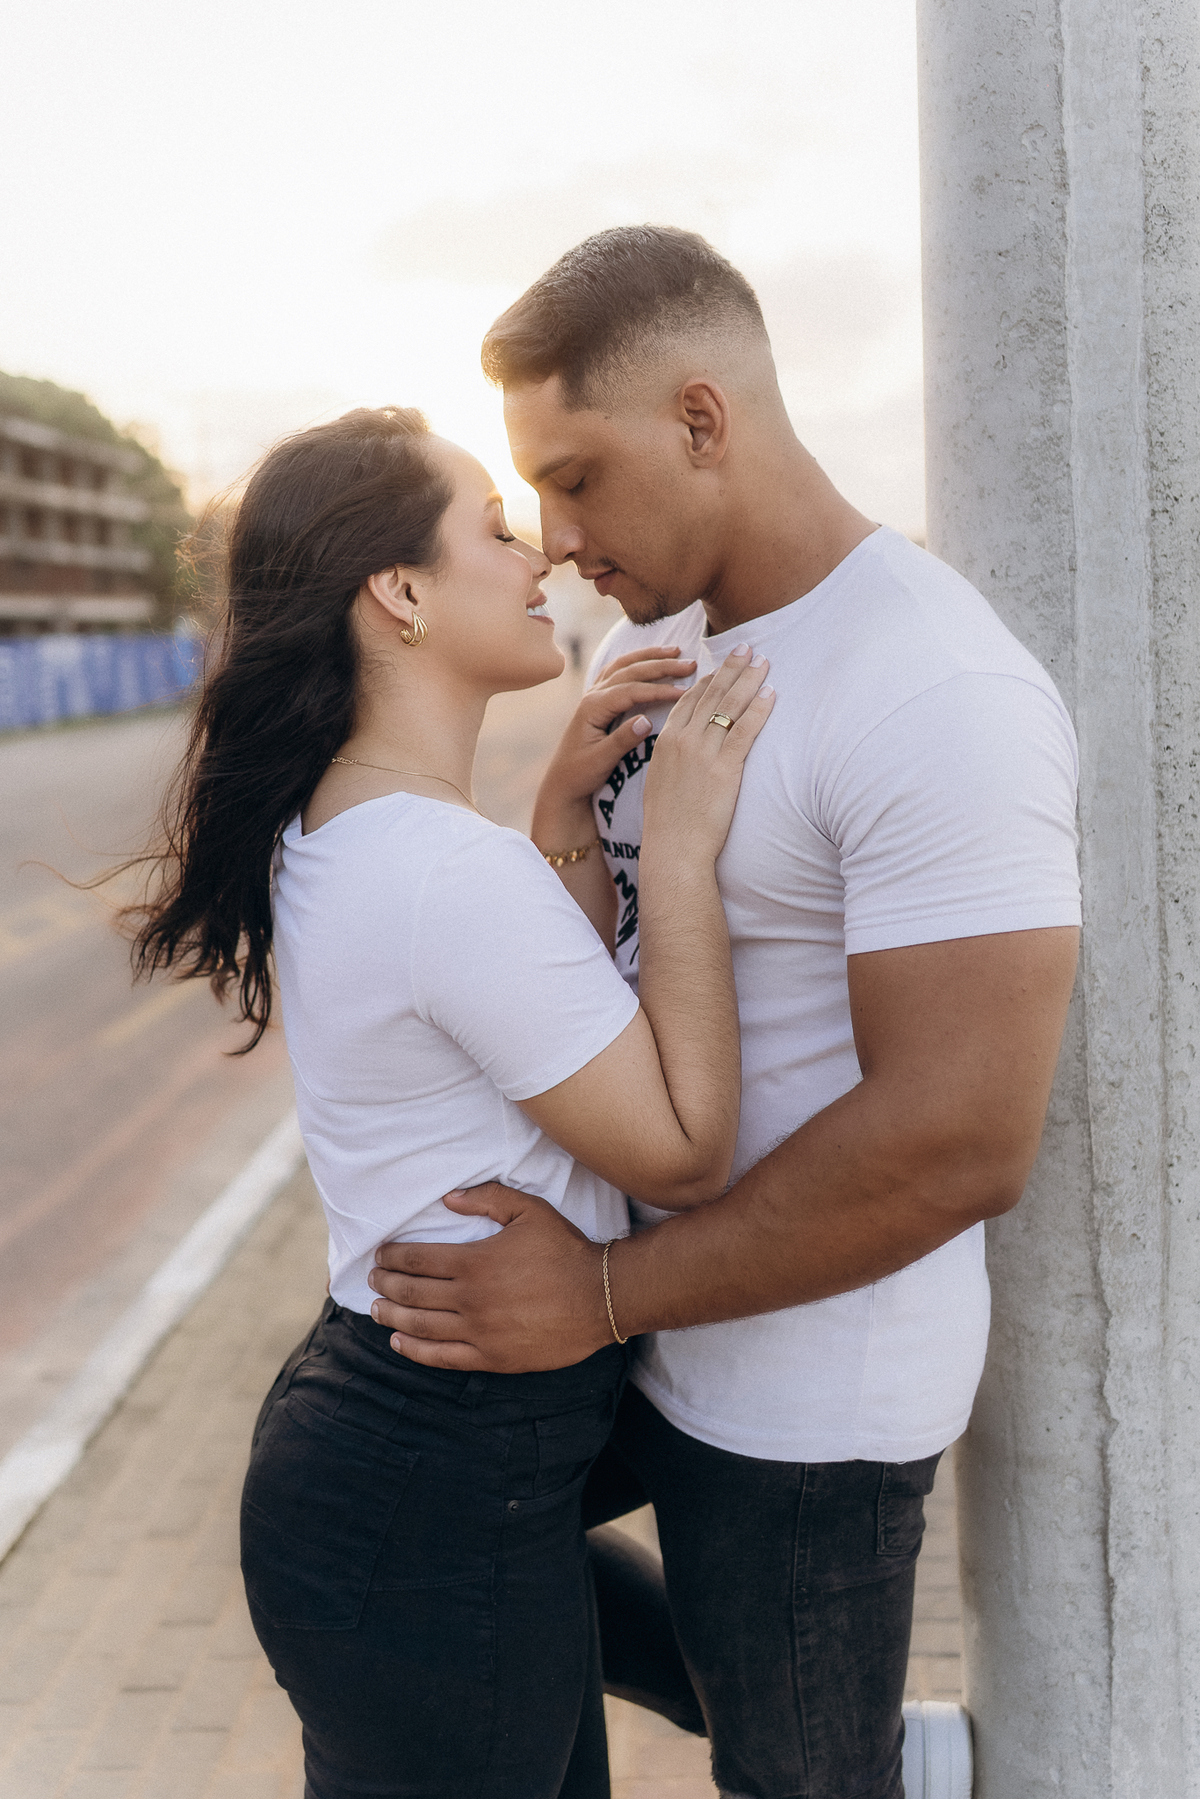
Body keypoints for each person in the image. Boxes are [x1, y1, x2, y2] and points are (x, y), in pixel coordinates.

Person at [366, 228, 1083, 1799]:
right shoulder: (655, 645)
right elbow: (610, 974)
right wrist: (562, 820)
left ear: (703, 420)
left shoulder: (935, 689)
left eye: (576, 480)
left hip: (802, 1405)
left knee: (792, 1779)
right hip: (643, 1330)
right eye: (533, 494)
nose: (556, 539)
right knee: (376, 1517)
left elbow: (960, 1138)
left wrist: (603, 1292)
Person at [124, 404, 773, 1799]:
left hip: (412, 1477)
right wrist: (679, 848)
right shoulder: (437, 869)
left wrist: (559, 832)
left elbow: (526, 1028)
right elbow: (682, 1147)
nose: (539, 554)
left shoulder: (344, 829)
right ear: (399, 593)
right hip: (423, 1499)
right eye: (493, 527)